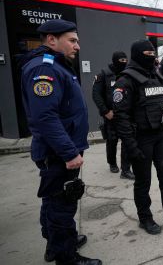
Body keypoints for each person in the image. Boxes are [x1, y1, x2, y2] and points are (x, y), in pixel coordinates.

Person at [19, 19, 101, 264]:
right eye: (72, 40)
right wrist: (69, 153)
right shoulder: (45, 69)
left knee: (53, 200)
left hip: (60, 149)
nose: (77, 46)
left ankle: (56, 245)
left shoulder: (56, 65)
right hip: (58, 152)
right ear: (52, 40)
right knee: (62, 204)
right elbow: (45, 117)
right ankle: (66, 257)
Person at [113, 39, 163, 235]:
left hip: (161, 137)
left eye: (153, 55)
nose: (153, 59)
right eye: (149, 55)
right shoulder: (126, 80)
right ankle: (145, 218)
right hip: (141, 140)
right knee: (143, 182)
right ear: (139, 56)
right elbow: (121, 118)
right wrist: (130, 145)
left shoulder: (156, 77)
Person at [92, 51, 134, 180]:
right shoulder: (104, 74)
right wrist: (105, 111)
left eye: (125, 60)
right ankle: (112, 163)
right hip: (111, 115)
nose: (124, 62)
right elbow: (96, 95)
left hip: (126, 114)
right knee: (112, 141)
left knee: (127, 141)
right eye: (121, 60)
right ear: (115, 60)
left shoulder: (128, 74)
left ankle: (126, 170)